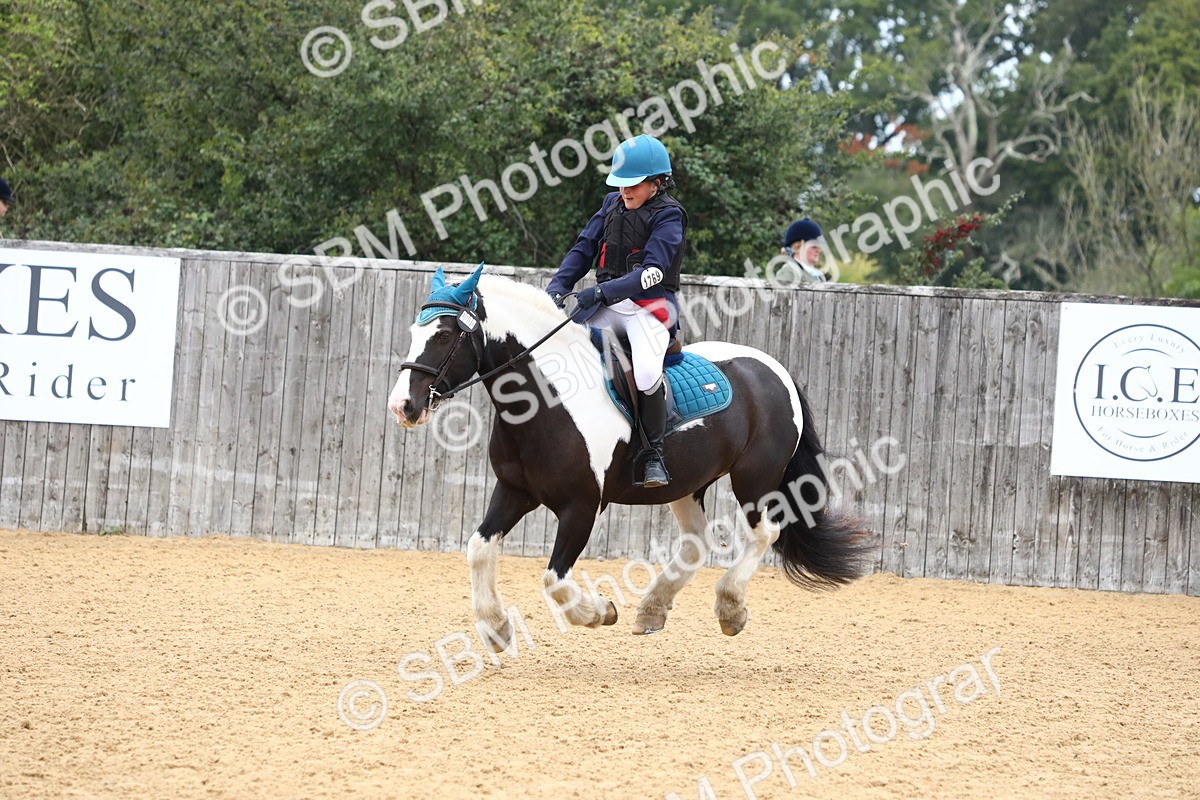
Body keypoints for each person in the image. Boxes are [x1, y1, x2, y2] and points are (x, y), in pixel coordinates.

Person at [546, 134, 688, 489]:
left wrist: (601, 291)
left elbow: (652, 271)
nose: (625, 191)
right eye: (621, 184)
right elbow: (584, 247)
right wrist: (557, 288)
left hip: (650, 308)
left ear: (657, 182)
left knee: (643, 374)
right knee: (560, 342)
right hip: (607, 304)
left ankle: (653, 454)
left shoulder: (670, 215)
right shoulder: (611, 203)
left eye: (633, 185)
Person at [782, 217, 828, 282]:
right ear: (798, 247)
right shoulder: (788, 271)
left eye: (819, 246)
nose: (819, 250)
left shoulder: (820, 277)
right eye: (814, 246)